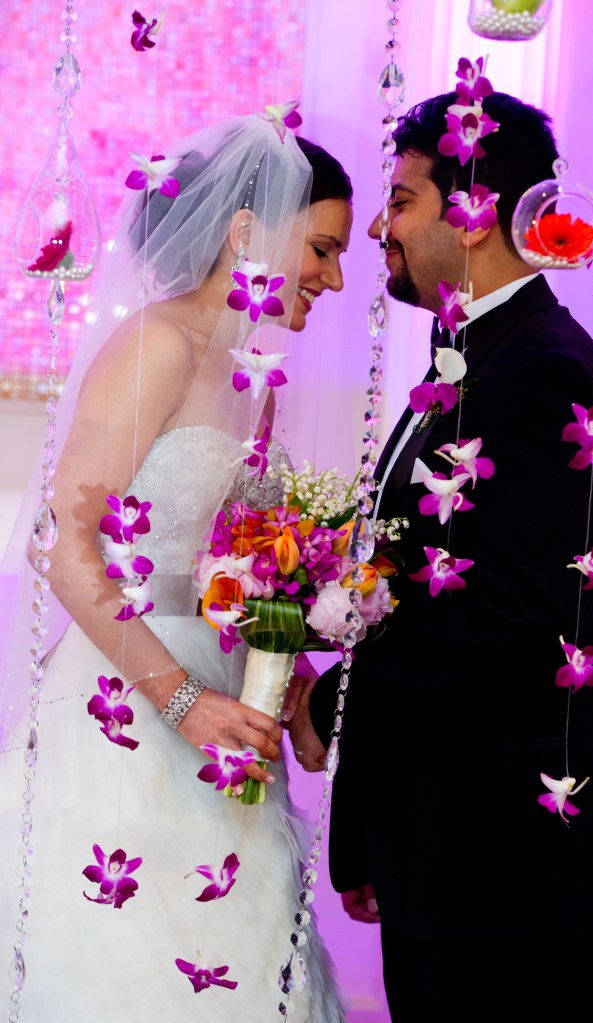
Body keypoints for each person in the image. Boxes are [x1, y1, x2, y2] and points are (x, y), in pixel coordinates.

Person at [290, 90, 593, 1022]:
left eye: (400, 199)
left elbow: (517, 628)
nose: (381, 227)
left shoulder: (544, 373)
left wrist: (331, 704)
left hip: (522, 885)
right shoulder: (472, 361)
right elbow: (421, 595)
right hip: (457, 864)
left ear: (476, 212)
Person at [0, 112, 352, 1022]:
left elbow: (232, 572)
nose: (333, 278)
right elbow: (61, 542)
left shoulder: (252, 378)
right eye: (320, 249)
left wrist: (293, 683)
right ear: (246, 230)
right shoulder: (157, 343)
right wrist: (180, 698)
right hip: (126, 699)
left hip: (226, 703)